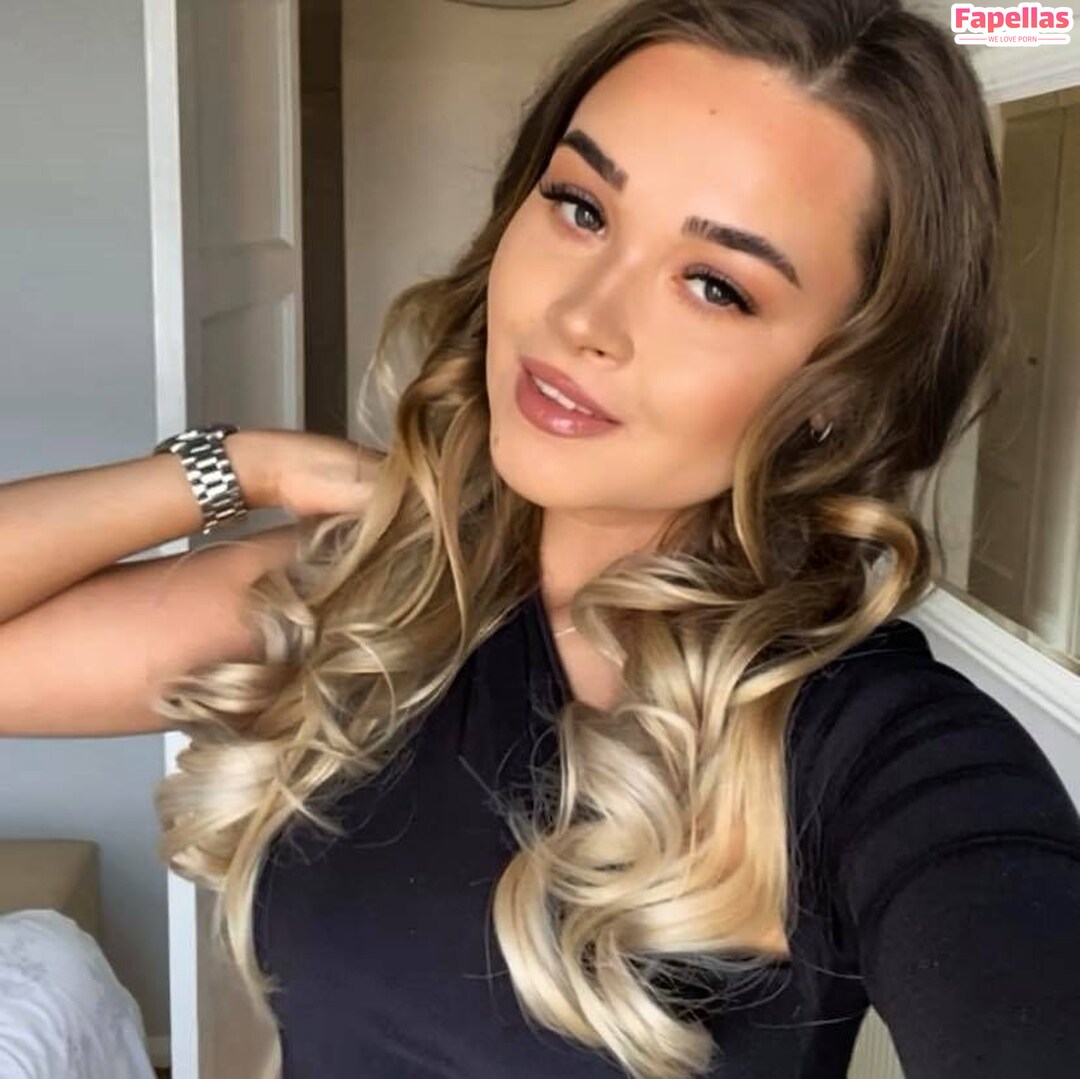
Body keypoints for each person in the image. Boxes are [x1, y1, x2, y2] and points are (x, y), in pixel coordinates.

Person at [2, 0, 1079, 1076]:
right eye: (580, 206)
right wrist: (244, 467)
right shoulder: (375, 590)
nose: (581, 317)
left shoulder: (871, 746)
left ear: (841, 389)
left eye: (715, 285)